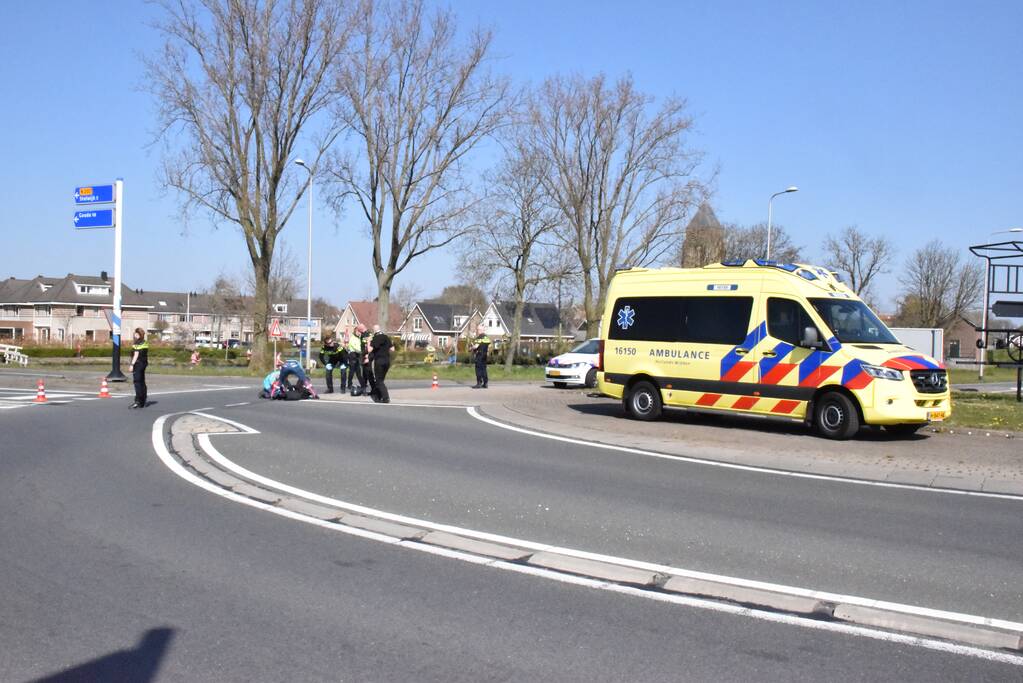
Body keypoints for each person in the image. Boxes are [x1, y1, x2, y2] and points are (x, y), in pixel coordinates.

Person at [369, 324, 395, 403]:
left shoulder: (375, 338)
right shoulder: (386, 337)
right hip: (387, 361)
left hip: (379, 361)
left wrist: (368, 341)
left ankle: (385, 397)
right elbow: (392, 349)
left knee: (379, 380)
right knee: (381, 380)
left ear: (374, 330)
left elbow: (369, 350)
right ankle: (378, 396)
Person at [128, 327, 149, 408]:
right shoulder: (145, 342)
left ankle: (138, 401)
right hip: (144, 363)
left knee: (137, 382)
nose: (135, 335)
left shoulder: (137, 343)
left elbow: (136, 355)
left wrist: (132, 365)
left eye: (136, 333)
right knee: (142, 381)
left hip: (138, 364)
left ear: (139, 334)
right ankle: (143, 400)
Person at [470, 325, 491, 389]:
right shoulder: (486, 338)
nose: (477, 331)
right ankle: (485, 383)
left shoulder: (479, 337)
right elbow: (488, 347)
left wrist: (471, 348)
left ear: (480, 330)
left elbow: (476, 346)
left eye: (478, 330)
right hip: (484, 356)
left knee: (478, 369)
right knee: (484, 369)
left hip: (479, 355)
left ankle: (479, 383)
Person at [357, 324, 374, 396]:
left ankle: (373, 390)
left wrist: (367, 355)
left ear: (360, 329)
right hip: (364, 355)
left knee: (368, 373)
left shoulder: (368, 335)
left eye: (358, 330)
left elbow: (368, 345)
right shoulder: (363, 334)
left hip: (367, 356)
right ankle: (364, 389)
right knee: (364, 373)